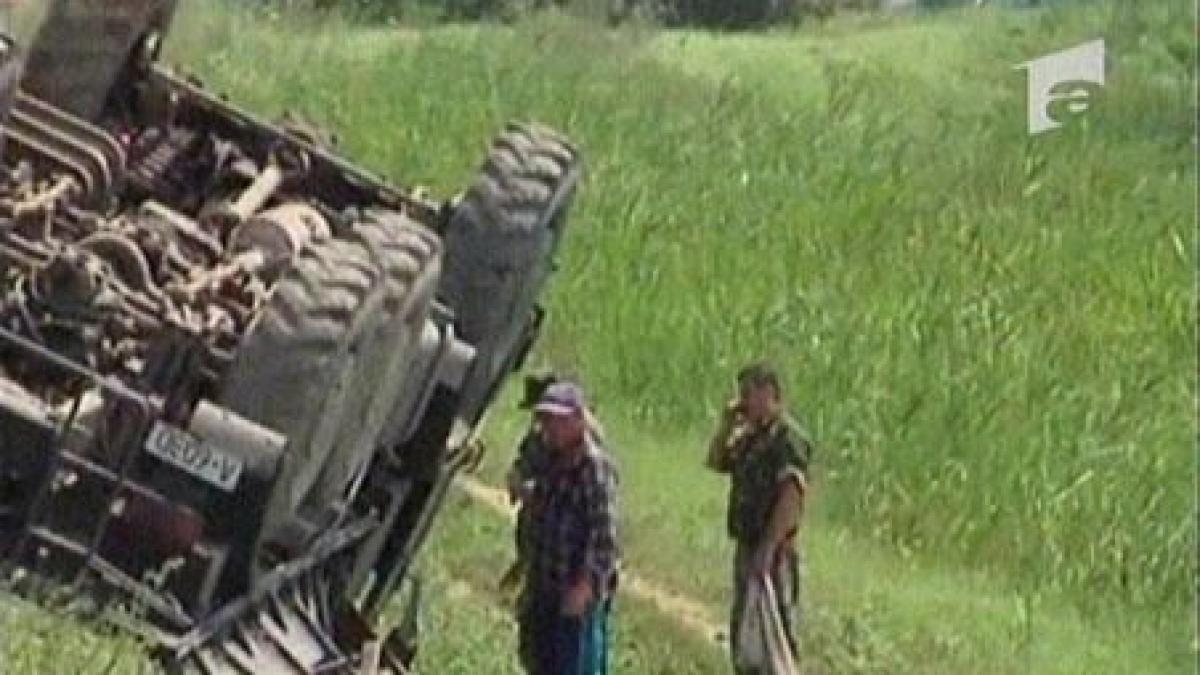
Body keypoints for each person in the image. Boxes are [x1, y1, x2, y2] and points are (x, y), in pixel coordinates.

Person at [706, 362, 812, 674]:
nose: (743, 402)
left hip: (774, 550)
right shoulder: (750, 438)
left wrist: (768, 548)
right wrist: (727, 424)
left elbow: (791, 497)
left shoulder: (787, 439)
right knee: (745, 630)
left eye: (749, 394)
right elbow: (715, 461)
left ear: (769, 393)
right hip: (747, 544)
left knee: (775, 628)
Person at [517, 381, 619, 675]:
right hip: (545, 586)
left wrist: (584, 586)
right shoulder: (552, 459)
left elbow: (604, 537)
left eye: (558, 420)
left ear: (578, 420)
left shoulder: (594, 469)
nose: (550, 427)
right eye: (546, 419)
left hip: (574, 594)